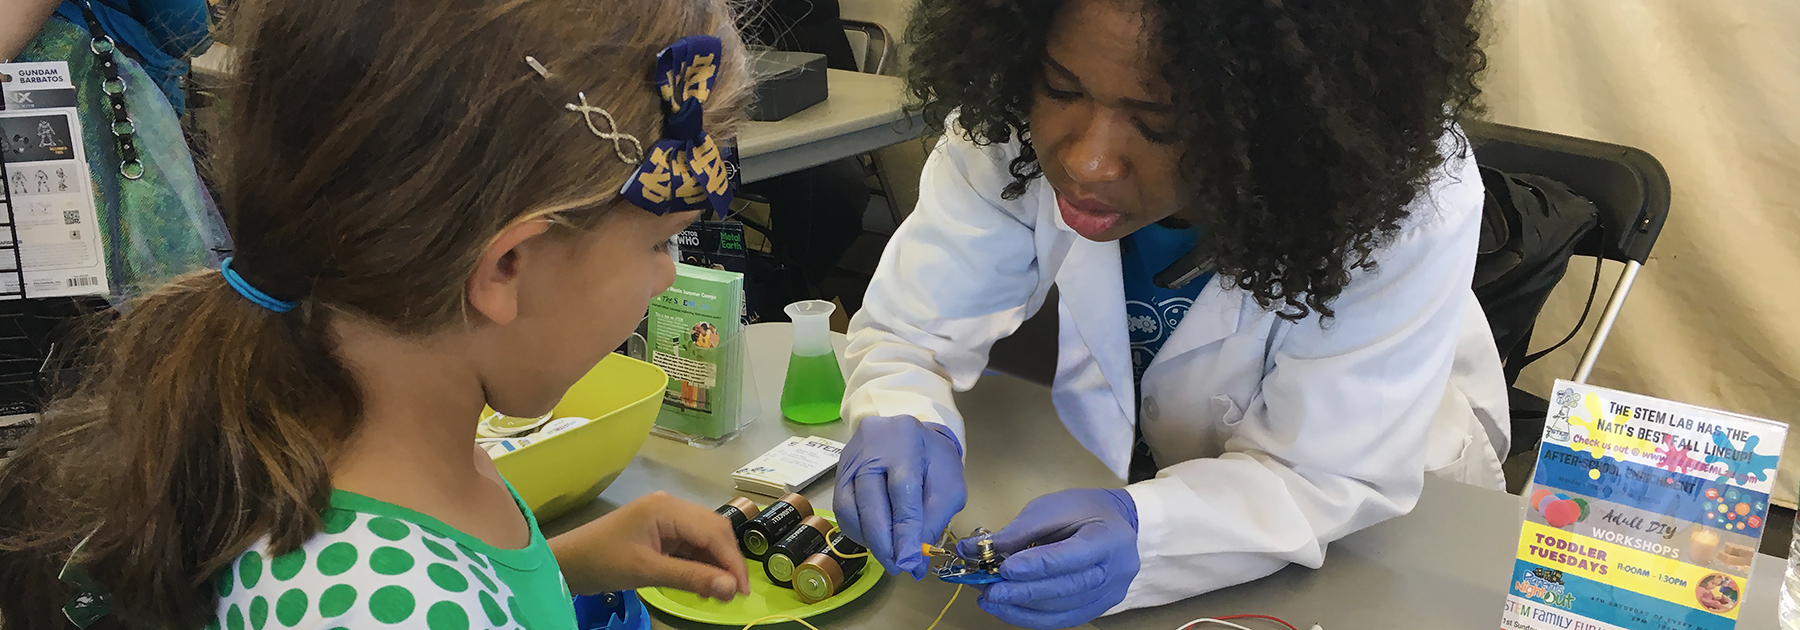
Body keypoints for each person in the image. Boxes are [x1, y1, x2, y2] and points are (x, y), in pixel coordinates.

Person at [0, 1, 756, 629]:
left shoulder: (376, 447)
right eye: (661, 242)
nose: (666, 275)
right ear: (506, 267)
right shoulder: (377, 597)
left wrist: (561, 566)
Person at [832, 0, 1507, 628]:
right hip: (1155, 473)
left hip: (1383, 533)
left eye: (1161, 125)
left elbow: (1323, 474)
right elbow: (911, 330)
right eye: (1062, 89)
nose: (1087, 161)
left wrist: (1146, 529)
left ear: (1279, 122)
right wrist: (901, 407)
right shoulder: (1006, 130)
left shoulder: (1404, 201)